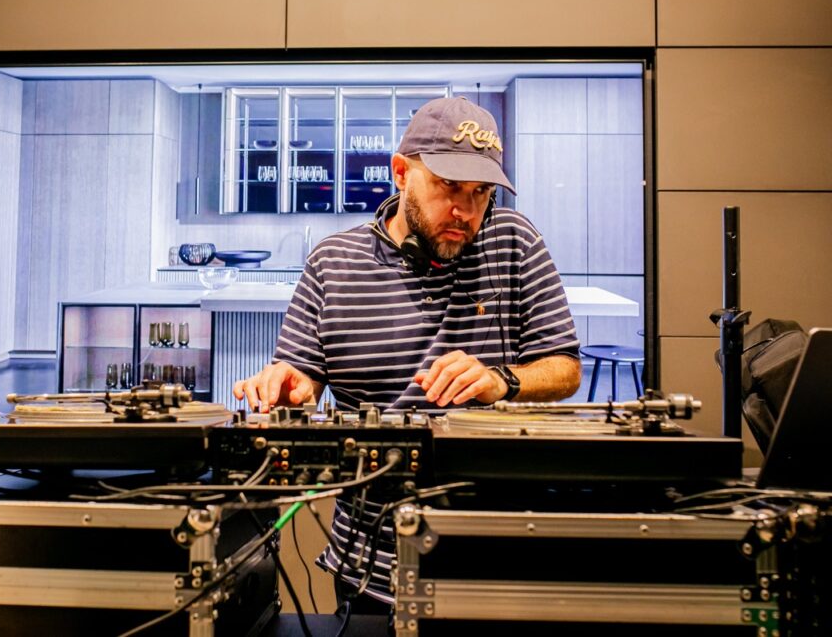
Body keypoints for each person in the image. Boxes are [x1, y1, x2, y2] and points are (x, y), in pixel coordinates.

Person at [233, 96, 582, 610]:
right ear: (400, 173)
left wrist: (501, 380)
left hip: (494, 559)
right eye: (449, 187)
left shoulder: (515, 241)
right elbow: (301, 377)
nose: (466, 212)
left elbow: (565, 369)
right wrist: (291, 388)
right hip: (367, 566)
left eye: (481, 192)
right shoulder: (332, 262)